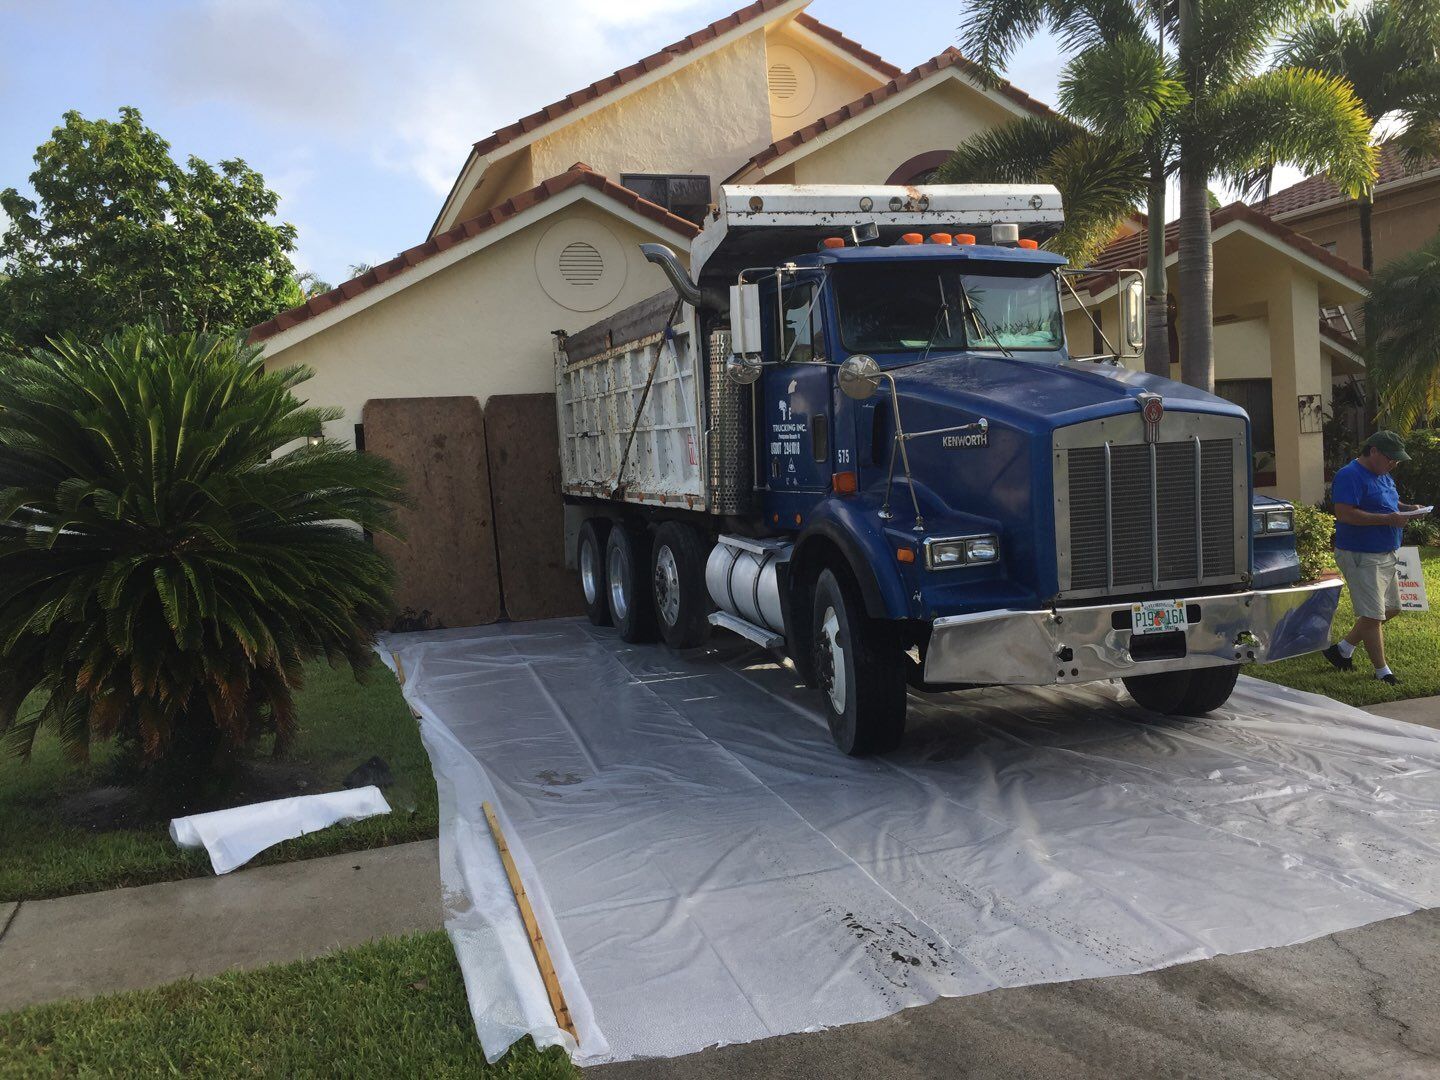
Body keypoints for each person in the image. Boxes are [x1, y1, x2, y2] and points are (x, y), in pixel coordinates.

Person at [1322, 431, 1425, 685]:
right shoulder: (1349, 475)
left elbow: (1389, 501)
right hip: (1361, 555)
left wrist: (1406, 509)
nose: (1394, 464)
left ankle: (1342, 650)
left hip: (1385, 553)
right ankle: (1383, 672)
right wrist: (1389, 519)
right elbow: (1345, 514)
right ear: (1374, 451)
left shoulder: (1383, 475)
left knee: (1391, 609)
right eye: (1391, 459)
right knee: (1373, 614)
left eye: (1397, 461)